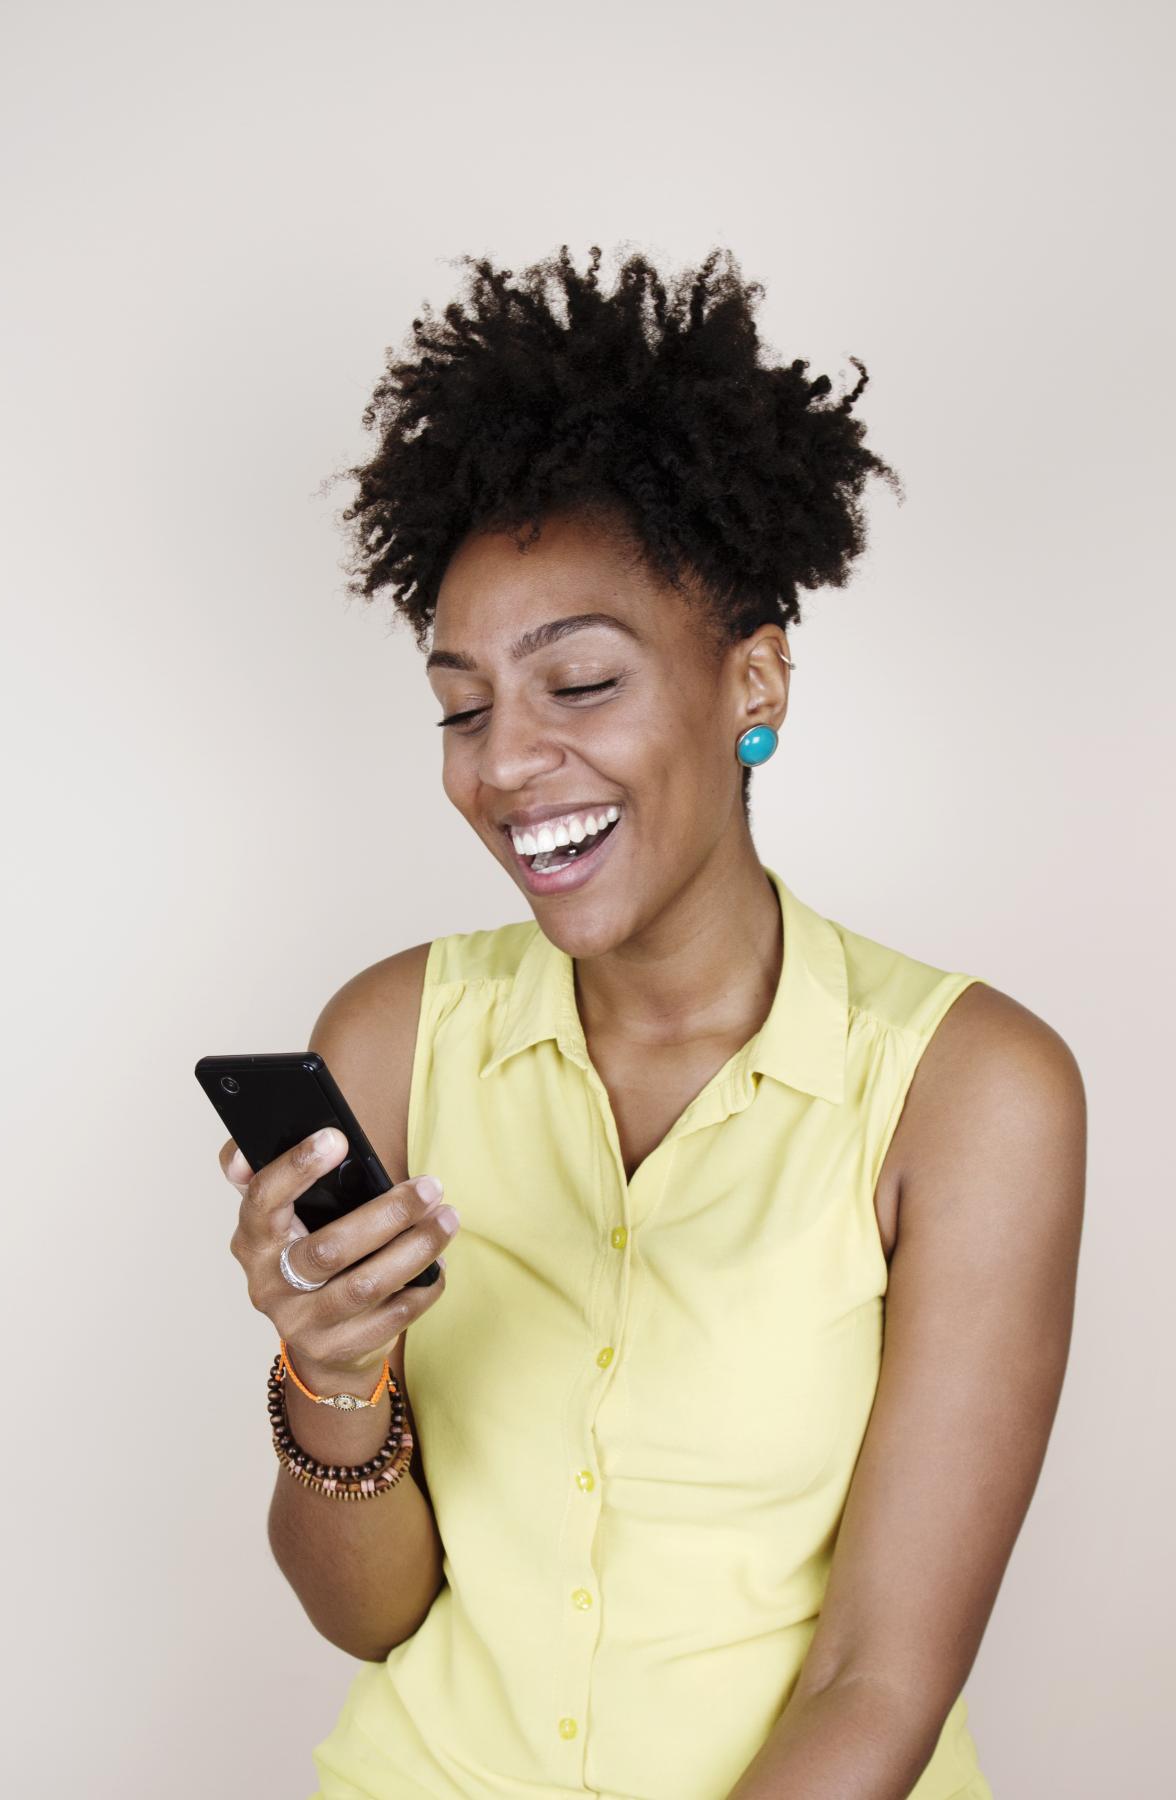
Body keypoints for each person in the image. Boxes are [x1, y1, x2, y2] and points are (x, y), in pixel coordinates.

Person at [220, 245, 1086, 1800]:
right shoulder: (393, 1037)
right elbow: (369, 1617)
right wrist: (328, 1371)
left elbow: (879, 1680)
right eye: (463, 706)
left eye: (579, 684)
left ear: (753, 680)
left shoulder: (970, 1091)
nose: (504, 764)